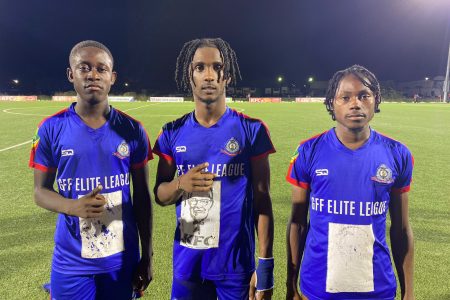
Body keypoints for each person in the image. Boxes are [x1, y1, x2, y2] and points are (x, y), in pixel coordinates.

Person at [29, 40, 153, 299]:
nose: (93, 75)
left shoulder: (133, 130)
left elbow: (142, 197)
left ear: (112, 77)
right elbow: (40, 191)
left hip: (121, 260)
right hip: (71, 260)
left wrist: (147, 254)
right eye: (84, 68)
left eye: (101, 69)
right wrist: (71, 206)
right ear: (71, 74)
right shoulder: (51, 128)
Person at [153, 38, 275, 300]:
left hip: (236, 267)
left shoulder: (252, 130)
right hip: (188, 265)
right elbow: (159, 194)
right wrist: (179, 185)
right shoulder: (171, 133)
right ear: (190, 75)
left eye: (216, 67)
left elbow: (262, 203)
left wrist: (265, 268)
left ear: (227, 75)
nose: (209, 75)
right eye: (200, 67)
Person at [286, 65, 414, 300]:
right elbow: (297, 223)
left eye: (364, 95)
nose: (355, 103)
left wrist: (409, 293)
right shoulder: (308, 151)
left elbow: (401, 229)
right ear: (332, 104)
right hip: (318, 288)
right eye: (345, 97)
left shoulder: (397, 154)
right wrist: (290, 285)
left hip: (377, 289)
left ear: (375, 100)